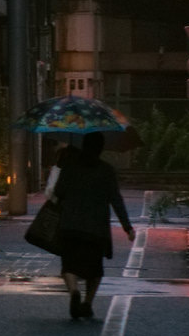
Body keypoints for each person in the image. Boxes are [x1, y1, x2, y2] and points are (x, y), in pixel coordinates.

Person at [46, 131, 134, 319]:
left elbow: (59, 192)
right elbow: (116, 200)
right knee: (95, 269)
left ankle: (73, 291)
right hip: (96, 227)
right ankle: (87, 302)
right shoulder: (106, 170)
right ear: (101, 149)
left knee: (69, 264)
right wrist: (127, 227)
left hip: (70, 224)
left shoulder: (70, 167)